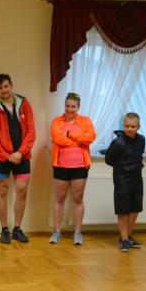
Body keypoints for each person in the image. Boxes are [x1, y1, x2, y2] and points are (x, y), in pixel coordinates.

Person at [0, 73, 35, 244]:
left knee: (22, 190)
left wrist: (20, 152)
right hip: (1, 158)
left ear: (11, 85)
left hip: (22, 155)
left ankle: (17, 229)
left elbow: (31, 131)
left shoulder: (24, 104)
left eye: (6, 86)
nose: (3, 90)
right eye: (0, 88)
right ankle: (4, 229)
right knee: (2, 191)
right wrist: (7, 156)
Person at [49, 92, 95, 246]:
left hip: (80, 167)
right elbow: (58, 139)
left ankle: (78, 233)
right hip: (61, 166)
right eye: (67, 106)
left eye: (73, 106)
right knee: (59, 198)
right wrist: (78, 140)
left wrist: (69, 134)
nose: (69, 109)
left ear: (78, 107)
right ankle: (56, 232)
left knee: (78, 199)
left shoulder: (85, 121)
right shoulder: (57, 121)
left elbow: (90, 137)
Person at [105, 113, 145, 253]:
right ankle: (124, 240)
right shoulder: (118, 142)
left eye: (133, 126)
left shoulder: (141, 140)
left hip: (137, 178)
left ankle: (126, 236)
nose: (130, 129)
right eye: (127, 126)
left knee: (135, 209)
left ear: (138, 126)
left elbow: (139, 155)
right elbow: (109, 160)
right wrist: (123, 168)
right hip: (122, 179)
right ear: (123, 125)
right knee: (123, 210)